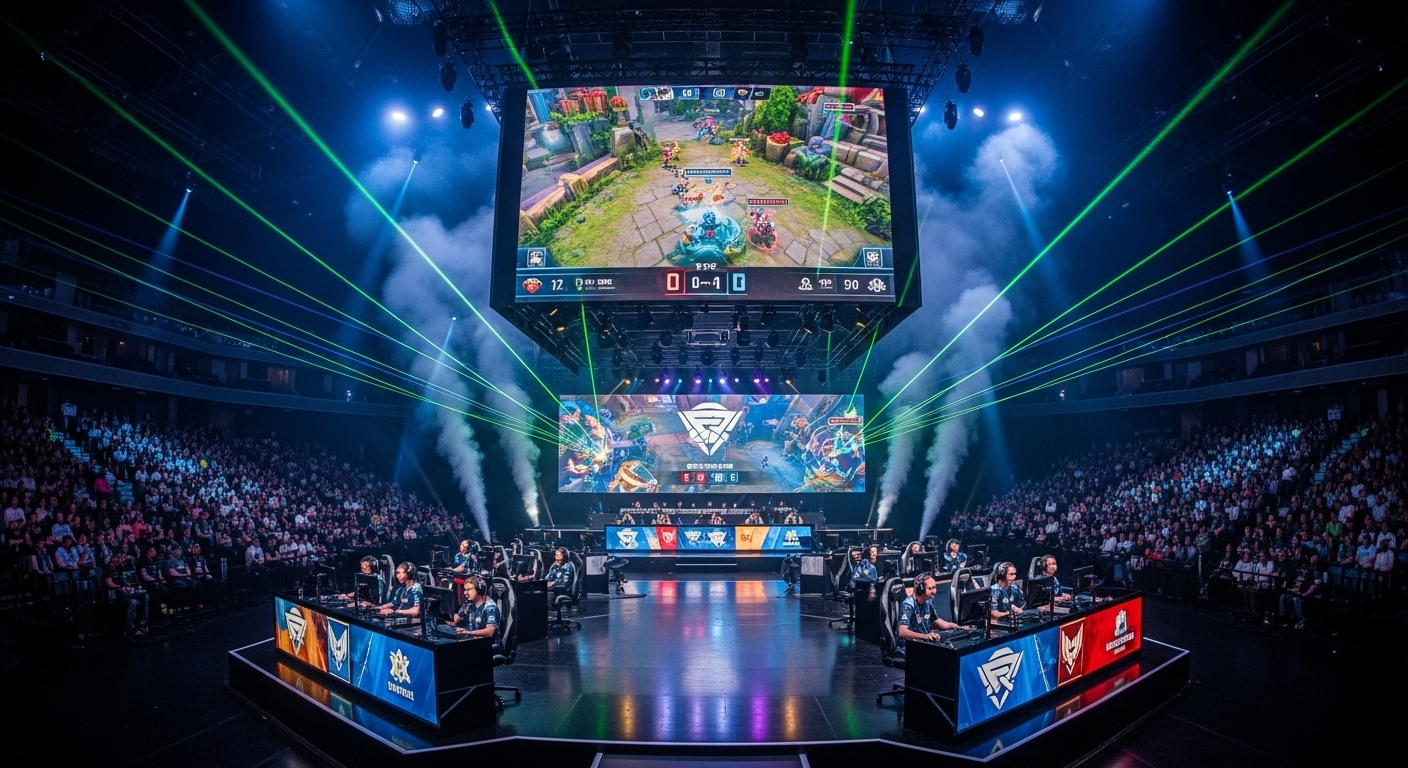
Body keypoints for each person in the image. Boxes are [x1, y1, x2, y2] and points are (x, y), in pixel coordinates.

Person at [896, 573, 963, 656]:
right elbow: (902, 632)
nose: (934, 591)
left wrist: (956, 627)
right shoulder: (908, 605)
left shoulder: (927, 602)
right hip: (909, 647)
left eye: (934, 587)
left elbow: (936, 621)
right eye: (930, 588)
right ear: (920, 589)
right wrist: (925, 636)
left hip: (924, 643)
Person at [448, 576, 501, 648]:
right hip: (475, 641)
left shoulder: (490, 607)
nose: (465, 593)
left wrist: (468, 632)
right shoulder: (470, 603)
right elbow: (456, 620)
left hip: (489, 646)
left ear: (479, 590)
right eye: (465, 590)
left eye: (469, 589)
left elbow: (490, 632)